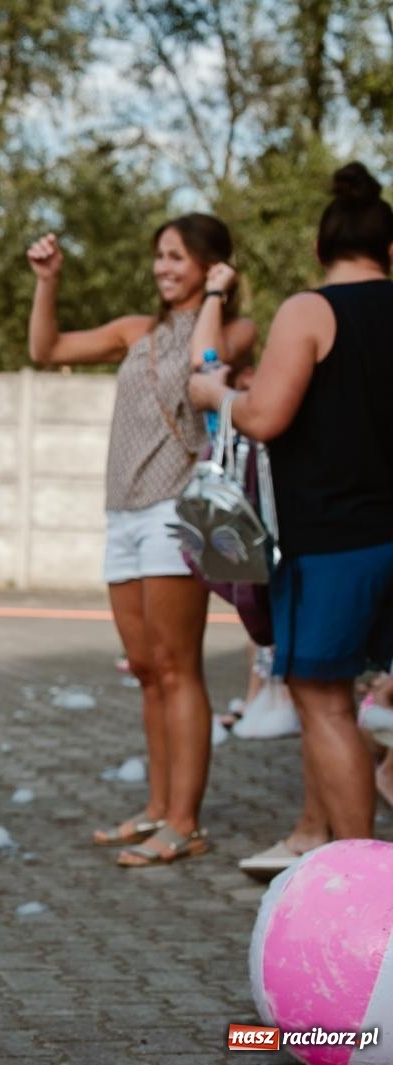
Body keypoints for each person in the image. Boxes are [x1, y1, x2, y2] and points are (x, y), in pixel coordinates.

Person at [27, 216, 256, 867]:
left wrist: (214, 297)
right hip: (123, 510)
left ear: (213, 265)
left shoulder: (237, 328)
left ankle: (185, 820)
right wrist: (48, 282)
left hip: (179, 509)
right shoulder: (137, 331)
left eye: (177, 257)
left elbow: (201, 366)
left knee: (180, 665)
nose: (162, 268)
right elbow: (48, 349)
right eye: (158, 255)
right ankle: (158, 807)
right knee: (148, 669)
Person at [188, 162, 393, 876]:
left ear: (319, 250)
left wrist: (217, 393)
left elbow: (267, 416)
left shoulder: (312, 309)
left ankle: (363, 877)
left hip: (333, 540)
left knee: (324, 699)